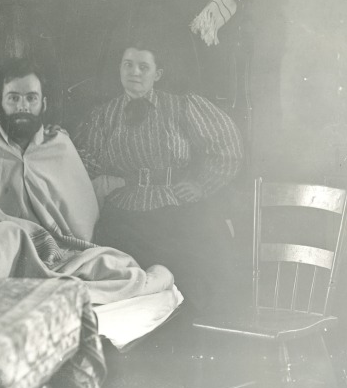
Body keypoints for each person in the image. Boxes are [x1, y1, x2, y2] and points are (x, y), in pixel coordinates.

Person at [0, 57, 174, 306]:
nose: (23, 106)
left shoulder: (59, 146)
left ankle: (34, 288)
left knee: (116, 268)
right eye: (13, 98)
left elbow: (81, 220)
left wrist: (45, 244)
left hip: (54, 254)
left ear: (43, 103)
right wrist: (14, 234)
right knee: (7, 236)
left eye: (31, 98)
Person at [73, 37, 244, 311]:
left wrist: (201, 185)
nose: (134, 72)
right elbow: (84, 161)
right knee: (123, 282)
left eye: (143, 67)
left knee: (198, 272)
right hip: (125, 215)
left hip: (174, 210)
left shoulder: (182, 107)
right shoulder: (103, 116)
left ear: (158, 74)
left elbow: (226, 145)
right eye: (127, 65)